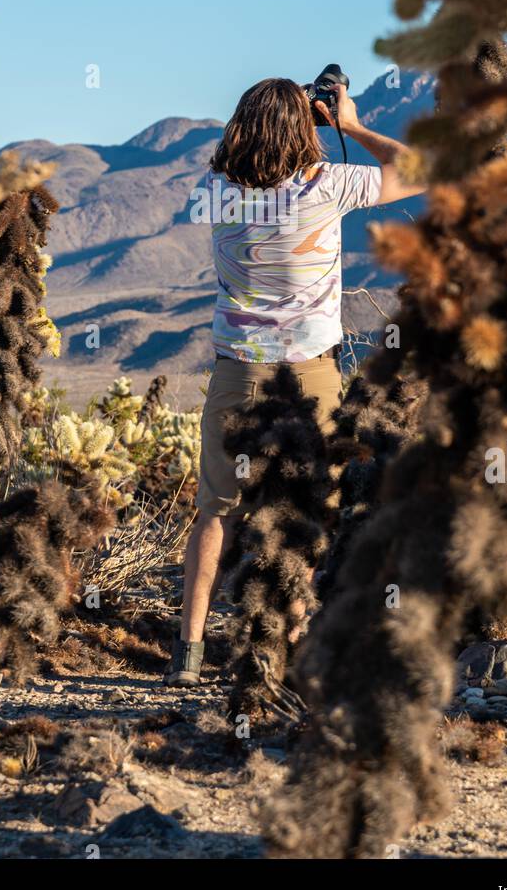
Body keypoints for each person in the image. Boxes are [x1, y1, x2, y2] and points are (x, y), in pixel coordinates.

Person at [164, 76, 424, 684]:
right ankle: (295, 642)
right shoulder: (328, 186)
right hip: (312, 378)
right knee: (310, 513)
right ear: (303, 126)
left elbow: (245, 161)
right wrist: (349, 125)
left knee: (217, 512)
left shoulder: (217, 191)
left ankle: (189, 652)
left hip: (239, 375)